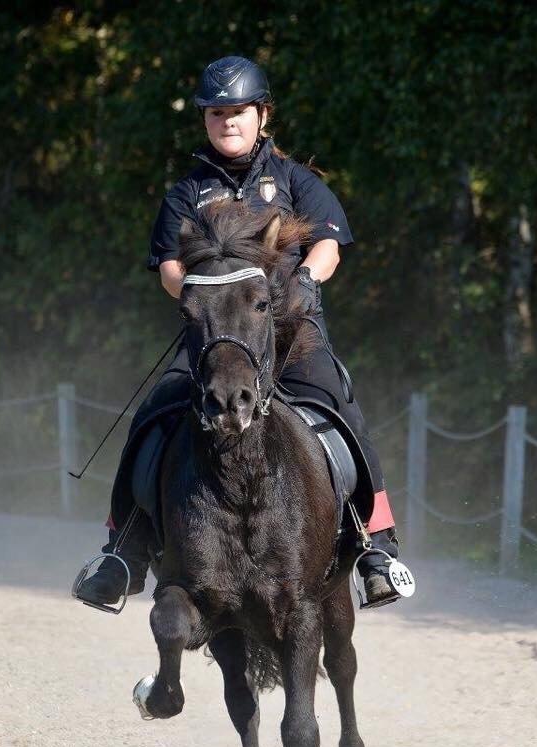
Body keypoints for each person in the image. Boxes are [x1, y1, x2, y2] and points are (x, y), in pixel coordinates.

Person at [77, 55, 401, 609]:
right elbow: (168, 268)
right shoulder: (185, 194)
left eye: (240, 111)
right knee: (153, 412)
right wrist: (198, 297)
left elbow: (328, 243)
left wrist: (305, 278)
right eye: (217, 112)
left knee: (341, 407)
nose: (229, 121)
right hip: (214, 338)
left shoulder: (296, 180)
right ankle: (123, 548)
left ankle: (377, 546)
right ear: (205, 120)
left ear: (262, 114)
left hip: (291, 334)